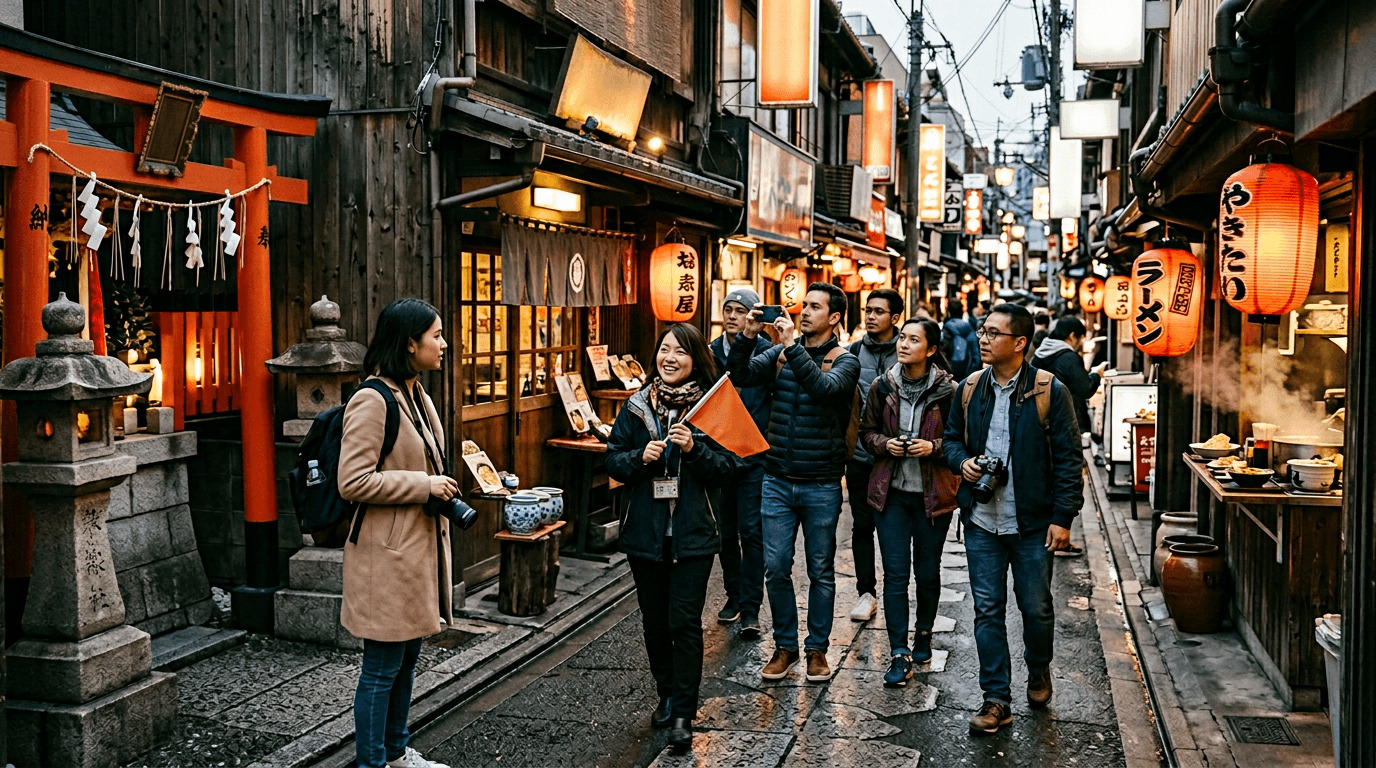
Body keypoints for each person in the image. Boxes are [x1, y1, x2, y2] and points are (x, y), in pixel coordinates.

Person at [943, 304, 1085, 735]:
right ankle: (996, 699)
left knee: (1036, 608)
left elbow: (1068, 458)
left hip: (1032, 524)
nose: (983, 339)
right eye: (982, 332)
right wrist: (963, 463)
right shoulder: (970, 387)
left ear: (1020, 343)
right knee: (987, 610)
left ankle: (1038, 668)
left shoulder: (1049, 390)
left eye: (993, 334)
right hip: (982, 520)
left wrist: (1063, 518)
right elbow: (951, 439)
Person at [605, 323, 742, 753]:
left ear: (695, 358)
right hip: (645, 534)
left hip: (695, 534)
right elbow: (612, 460)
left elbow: (732, 467)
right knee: (653, 620)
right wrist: (638, 457)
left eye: (680, 352)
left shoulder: (715, 405)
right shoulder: (635, 407)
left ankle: (683, 712)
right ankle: (666, 692)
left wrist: (694, 450)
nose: (670, 358)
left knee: (684, 622)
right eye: (664, 349)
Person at [339, 298, 456, 768]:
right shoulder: (371, 399)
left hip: (414, 551)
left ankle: (395, 752)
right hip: (385, 555)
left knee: (406, 661)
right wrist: (424, 485)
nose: (444, 344)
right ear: (410, 344)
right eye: (436, 336)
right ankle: (372, 763)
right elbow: (353, 481)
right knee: (382, 669)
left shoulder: (418, 396)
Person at [728, 283, 860, 683]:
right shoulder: (782, 353)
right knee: (775, 568)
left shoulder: (845, 360)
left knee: (821, 569)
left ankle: (817, 648)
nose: (805, 313)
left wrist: (791, 347)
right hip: (777, 478)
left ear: (834, 317)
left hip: (821, 482)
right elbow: (740, 375)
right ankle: (785, 647)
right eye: (805, 306)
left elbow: (824, 391)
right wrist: (748, 335)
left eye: (815, 308)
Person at [857, 318, 960, 688]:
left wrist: (933, 448)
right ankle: (898, 651)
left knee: (928, 573)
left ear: (931, 350)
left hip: (933, 496)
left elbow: (961, 442)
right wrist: (887, 444)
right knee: (896, 575)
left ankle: (924, 633)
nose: (903, 344)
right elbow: (866, 433)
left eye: (913, 340)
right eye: (902, 337)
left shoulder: (950, 391)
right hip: (892, 495)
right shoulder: (881, 386)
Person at [709, 288, 773, 638]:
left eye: (740, 310)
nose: (733, 316)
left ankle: (751, 607)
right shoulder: (709, 353)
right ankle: (733, 596)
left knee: (752, 531)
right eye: (728, 310)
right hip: (718, 455)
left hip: (754, 454)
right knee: (725, 532)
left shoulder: (765, 353)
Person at [844, 288, 903, 623]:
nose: (870, 316)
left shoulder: (909, 350)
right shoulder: (853, 352)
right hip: (861, 457)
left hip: (897, 459)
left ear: (894, 318)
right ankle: (866, 592)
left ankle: (896, 591)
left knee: (893, 528)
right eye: (868, 310)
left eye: (878, 311)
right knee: (861, 527)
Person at [941, 297, 981, 382]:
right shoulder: (969, 328)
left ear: (949, 311)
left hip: (952, 371)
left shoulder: (947, 328)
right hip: (968, 371)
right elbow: (976, 353)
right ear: (962, 311)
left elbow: (944, 350)